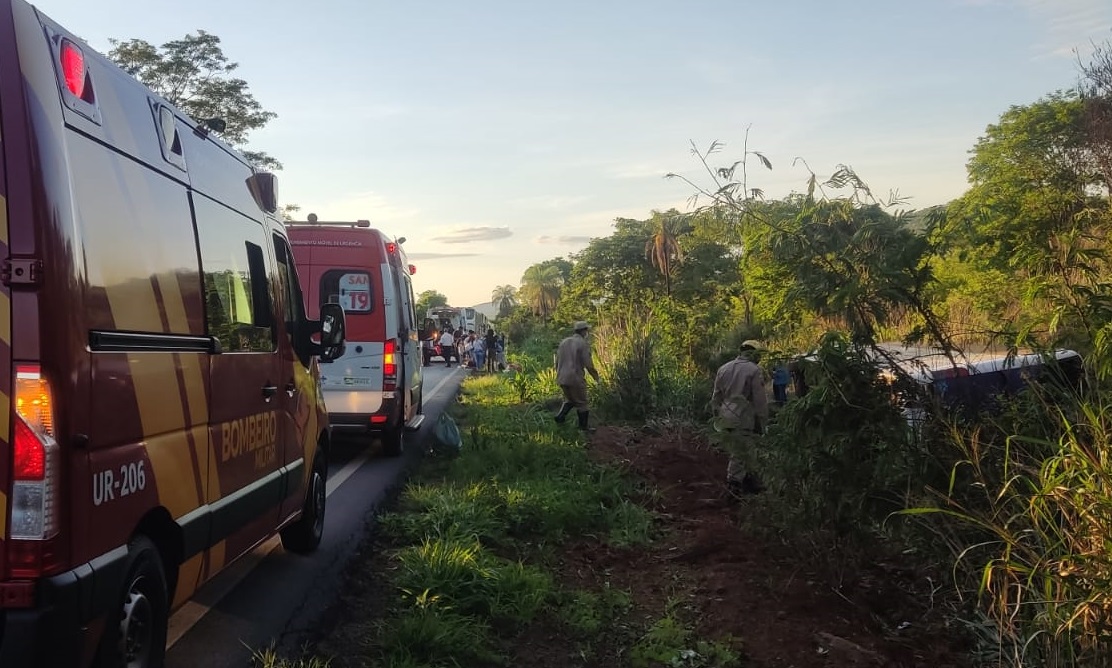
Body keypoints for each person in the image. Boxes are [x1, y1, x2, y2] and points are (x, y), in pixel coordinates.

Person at [711, 340, 769, 496]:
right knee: (740, 452)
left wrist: (717, 417)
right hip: (743, 417)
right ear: (754, 353)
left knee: (743, 452)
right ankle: (734, 486)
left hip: (725, 416)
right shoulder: (754, 370)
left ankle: (749, 481)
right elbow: (759, 400)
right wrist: (763, 421)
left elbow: (716, 398)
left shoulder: (723, 368)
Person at [554, 321, 601, 432]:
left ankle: (560, 417)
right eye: (587, 330)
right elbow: (588, 364)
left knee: (571, 399)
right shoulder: (582, 343)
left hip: (561, 377)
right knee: (582, 403)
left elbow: (557, 362)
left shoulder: (564, 342)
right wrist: (596, 377)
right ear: (584, 331)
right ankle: (583, 428)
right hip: (575, 377)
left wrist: (559, 373)